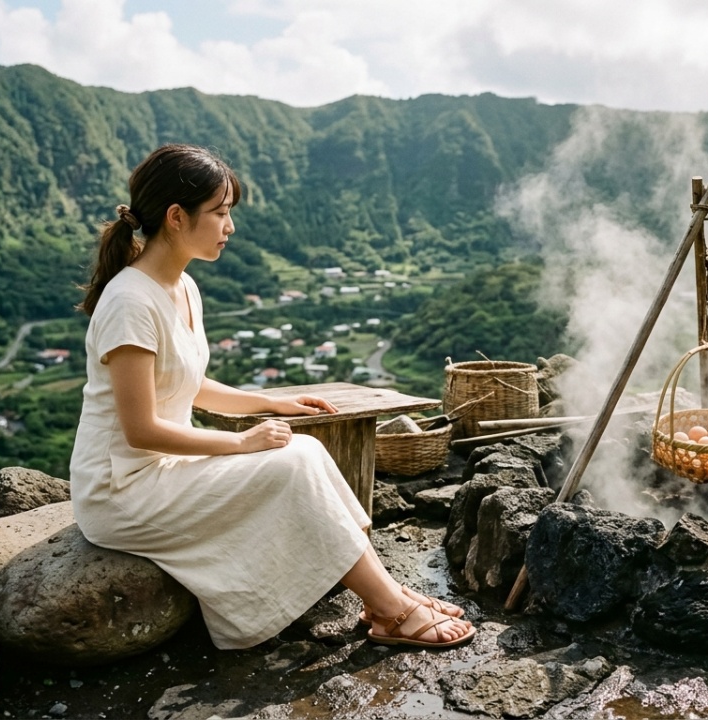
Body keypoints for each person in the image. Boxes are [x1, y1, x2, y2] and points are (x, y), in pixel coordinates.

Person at [69, 144, 473, 650]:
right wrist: (240, 445)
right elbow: (141, 429)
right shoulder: (130, 301)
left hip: (161, 470)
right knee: (290, 465)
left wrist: (272, 403)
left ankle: (383, 598)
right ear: (176, 217)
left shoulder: (182, 288)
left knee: (303, 449)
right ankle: (391, 607)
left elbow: (188, 385)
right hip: (121, 490)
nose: (229, 226)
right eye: (219, 213)